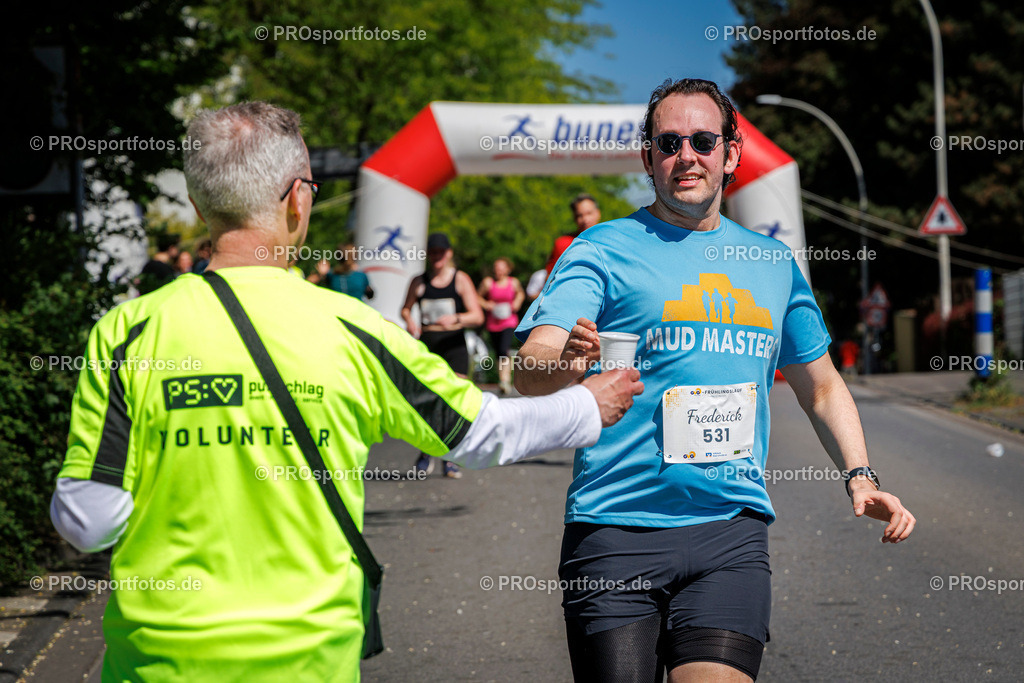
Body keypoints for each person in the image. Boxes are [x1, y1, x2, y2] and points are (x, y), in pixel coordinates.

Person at [49, 101, 644, 682]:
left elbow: (87, 521)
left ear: (196, 201)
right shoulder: (353, 330)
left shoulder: (127, 332)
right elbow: (478, 432)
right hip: (307, 658)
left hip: (154, 660)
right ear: (298, 198)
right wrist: (586, 405)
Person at [514, 78, 916, 683]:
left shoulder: (773, 264)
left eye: (703, 140)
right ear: (647, 157)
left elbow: (822, 385)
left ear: (730, 155)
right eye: (669, 142)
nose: (686, 156)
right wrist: (567, 363)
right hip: (616, 531)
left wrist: (860, 476)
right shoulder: (603, 248)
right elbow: (529, 368)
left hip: (731, 535)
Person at [401, 231, 485, 478]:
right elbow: (405, 309)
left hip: (454, 344)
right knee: (427, 399)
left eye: (441, 252)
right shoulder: (419, 281)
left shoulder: (459, 280)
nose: (436, 257)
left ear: (448, 254)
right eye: (432, 252)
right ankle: (426, 452)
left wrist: (457, 318)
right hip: (428, 342)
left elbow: (477, 315)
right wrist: (410, 321)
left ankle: (452, 457)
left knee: (453, 400)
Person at [478, 257, 525, 395]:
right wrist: (486, 304)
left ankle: (505, 380)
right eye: (496, 267)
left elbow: (520, 294)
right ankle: (502, 379)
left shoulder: (513, 283)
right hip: (493, 322)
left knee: (504, 349)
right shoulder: (488, 283)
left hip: (508, 321)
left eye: (501, 267)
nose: (498, 270)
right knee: (499, 351)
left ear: (507, 269)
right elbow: (477, 296)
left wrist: (517, 303)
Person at [544, 193, 601, 274]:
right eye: (580, 215)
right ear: (574, 218)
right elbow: (550, 278)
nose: (585, 219)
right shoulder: (563, 244)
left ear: (598, 213)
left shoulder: (612, 242)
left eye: (589, 213)